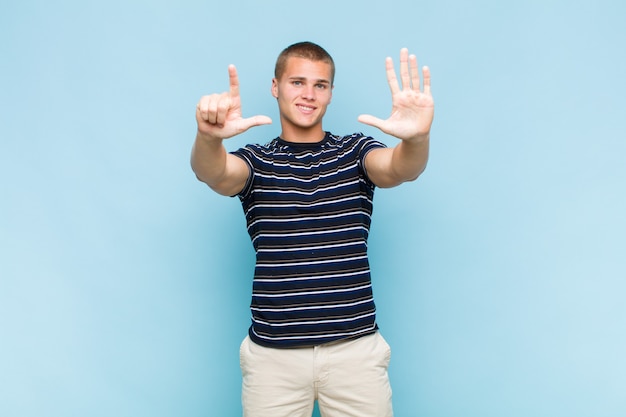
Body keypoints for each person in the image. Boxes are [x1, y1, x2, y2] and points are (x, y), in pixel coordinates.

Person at [191, 41, 433, 417]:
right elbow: (215, 173)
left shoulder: (355, 152)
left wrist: (416, 139)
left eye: (320, 85)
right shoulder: (257, 161)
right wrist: (208, 138)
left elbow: (400, 168)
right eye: (297, 82)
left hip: (355, 355)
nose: (308, 94)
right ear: (275, 87)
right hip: (274, 361)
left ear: (331, 93)